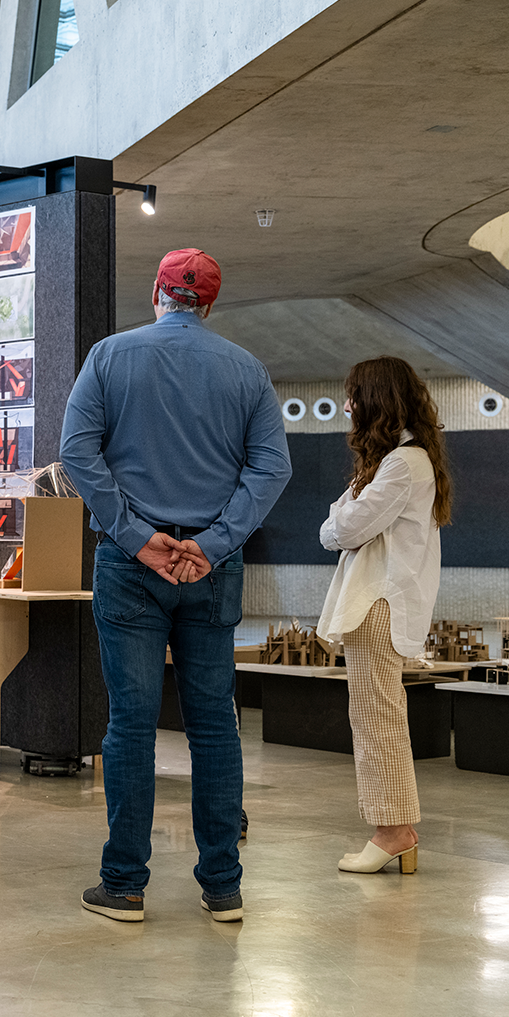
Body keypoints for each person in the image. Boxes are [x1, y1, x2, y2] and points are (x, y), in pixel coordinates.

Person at [61, 248, 290, 924]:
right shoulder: (247, 370)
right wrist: (212, 545)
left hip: (133, 565)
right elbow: (270, 470)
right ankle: (222, 887)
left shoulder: (109, 356)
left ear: (157, 293)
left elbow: (78, 452)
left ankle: (125, 885)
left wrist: (136, 536)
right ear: (211, 304)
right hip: (209, 570)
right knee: (215, 725)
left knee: (130, 724)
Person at [317, 356, 453, 876]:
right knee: (375, 714)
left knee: (377, 717)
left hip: (377, 604)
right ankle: (394, 828)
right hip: (376, 604)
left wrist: (339, 519)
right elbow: (342, 519)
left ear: (375, 400)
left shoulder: (402, 465)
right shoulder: (395, 461)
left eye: (353, 396)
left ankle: (393, 830)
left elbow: (340, 529)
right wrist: (341, 517)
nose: (347, 405)